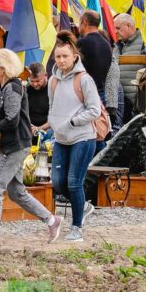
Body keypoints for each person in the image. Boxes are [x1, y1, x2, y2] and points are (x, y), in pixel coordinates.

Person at [0, 48, 62, 246]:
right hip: (11, 143)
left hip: (15, 144)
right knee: (16, 191)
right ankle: (52, 220)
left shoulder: (12, 88)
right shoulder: (1, 87)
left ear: (3, 69)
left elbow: (12, 119)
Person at [47, 32, 102, 243]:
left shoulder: (84, 79)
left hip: (82, 137)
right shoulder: (53, 80)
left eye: (65, 57)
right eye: (58, 57)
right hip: (61, 138)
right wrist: (54, 122)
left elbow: (94, 110)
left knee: (73, 182)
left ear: (74, 56)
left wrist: (73, 121)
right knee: (58, 182)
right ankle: (84, 206)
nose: (61, 61)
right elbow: (52, 106)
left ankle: (77, 227)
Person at [113, 13, 144, 127]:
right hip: (119, 103)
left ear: (129, 25)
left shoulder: (144, 44)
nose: (115, 32)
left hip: (135, 105)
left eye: (118, 28)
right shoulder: (117, 46)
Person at [77, 11, 112, 98]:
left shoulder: (82, 43)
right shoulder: (107, 44)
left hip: (85, 93)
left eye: (79, 22)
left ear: (85, 22)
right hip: (101, 93)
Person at [26, 62, 51, 143]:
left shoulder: (53, 90)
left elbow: (57, 117)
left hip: (48, 132)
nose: (35, 84)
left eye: (37, 81)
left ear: (46, 76)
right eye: (32, 81)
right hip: (29, 131)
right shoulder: (27, 90)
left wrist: (39, 128)